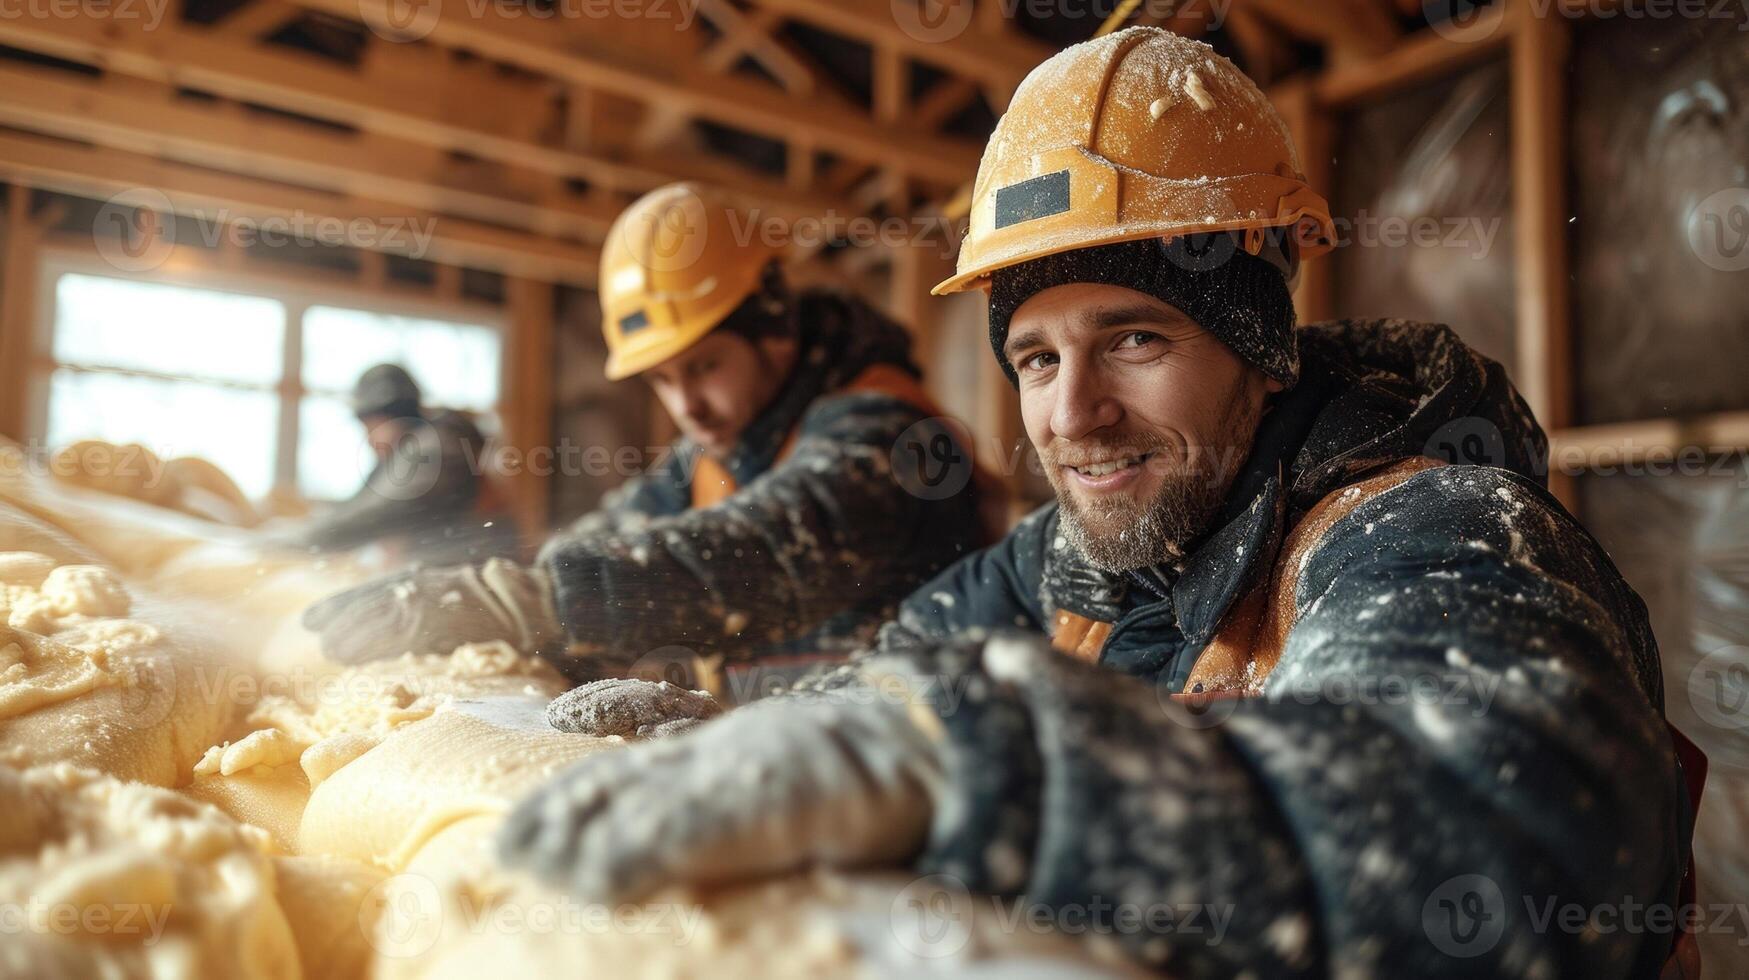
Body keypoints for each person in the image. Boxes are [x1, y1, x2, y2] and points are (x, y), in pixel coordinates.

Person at [494, 29, 1702, 979]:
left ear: (1259, 341)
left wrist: (971, 767)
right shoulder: (1080, 554)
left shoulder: (1431, 529)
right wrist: (711, 732)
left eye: (1133, 337)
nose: (1073, 414)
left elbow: (1506, 828)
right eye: (1034, 357)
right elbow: (902, 666)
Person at [302, 183, 1001, 675]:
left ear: (776, 331)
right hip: (799, 741)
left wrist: (530, 602)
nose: (685, 405)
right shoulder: (719, 443)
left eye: (703, 367)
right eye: (662, 380)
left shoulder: (885, 433)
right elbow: (616, 532)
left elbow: (763, 546)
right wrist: (485, 582)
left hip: (922, 755)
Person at [294, 363, 518, 565]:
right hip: (451, 576)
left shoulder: (435, 451)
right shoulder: (405, 453)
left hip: (474, 580)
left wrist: (293, 541)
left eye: (371, 427)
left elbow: (372, 516)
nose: (369, 439)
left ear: (396, 415)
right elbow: (357, 506)